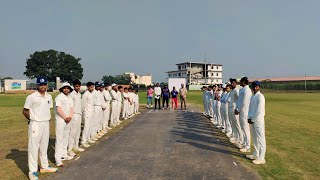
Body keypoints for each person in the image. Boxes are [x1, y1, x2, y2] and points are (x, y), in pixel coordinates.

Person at [23, 77, 57, 180]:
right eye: (40, 84)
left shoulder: (49, 97)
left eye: (44, 84)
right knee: (33, 148)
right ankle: (32, 171)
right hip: (36, 124)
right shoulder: (31, 97)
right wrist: (32, 119)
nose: (43, 86)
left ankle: (44, 166)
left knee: (44, 146)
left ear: (47, 85)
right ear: (37, 85)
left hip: (45, 123)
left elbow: (47, 108)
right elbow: (25, 110)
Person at [54, 82, 74, 167]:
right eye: (65, 88)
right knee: (59, 139)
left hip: (68, 120)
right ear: (62, 89)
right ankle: (57, 159)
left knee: (66, 137)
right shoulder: (59, 97)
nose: (66, 89)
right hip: (61, 120)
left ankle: (64, 154)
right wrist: (65, 117)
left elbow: (72, 109)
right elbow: (58, 109)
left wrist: (69, 117)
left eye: (68, 88)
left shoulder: (70, 98)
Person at [247, 81, 266, 165]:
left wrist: (253, 119)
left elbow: (259, 110)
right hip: (252, 119)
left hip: (258, 120)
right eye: (253, 86)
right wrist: (249, 117)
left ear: (259, 87)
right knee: (254, 137)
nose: (254, 88)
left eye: (256, 86)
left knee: (261, 139)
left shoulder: (260, 96)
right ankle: (255, 154)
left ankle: (261, 158)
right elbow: (250, 108)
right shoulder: (253, 96)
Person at [68, 80, 84, 158]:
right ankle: (69, 149)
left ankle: (76, 146)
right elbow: (70, 106)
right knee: (72, 132)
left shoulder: (79, 94)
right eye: (76, 86)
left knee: (78, 131)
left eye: (79, 86)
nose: (78, 87)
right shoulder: (72, 94)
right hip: (74, 115)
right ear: (73, 86)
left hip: (79, 114)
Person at [236, 77, 252, 153]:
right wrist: (237, 109)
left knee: (245, 129)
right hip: (241, 111)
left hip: (245, 111)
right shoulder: (242, 89)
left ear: (244, 82)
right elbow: (239, 101)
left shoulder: (247, 90)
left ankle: (247, 146)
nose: (240, 83)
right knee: (242, 127)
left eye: (241, 82)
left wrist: (238, 110)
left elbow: (244, 102)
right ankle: (244, 143)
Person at [228, 78, 243, 149]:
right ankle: (235, 137)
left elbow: (239, 100)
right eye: (231, 83)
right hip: (231, 107)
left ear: (236, 83)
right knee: (233, 123)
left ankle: (240, 139)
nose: (232, 84)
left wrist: (237, 108)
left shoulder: (237, 90)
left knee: (237, 124)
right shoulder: (232, 90)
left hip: (234, 108)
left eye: (233, 83)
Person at [81, 82, 95, 148]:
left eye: (93, 87)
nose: (92, 88)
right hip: (87, 113)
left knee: (90, 126)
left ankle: (88, 138)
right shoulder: (85, 94)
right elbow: (83, 105)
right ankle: (83, 141)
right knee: (86, 127)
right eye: (91, 87)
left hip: (91, 112)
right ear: (88, 87)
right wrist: (84, 113)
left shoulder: (91, 94)